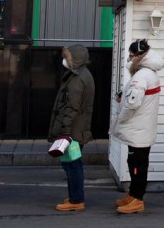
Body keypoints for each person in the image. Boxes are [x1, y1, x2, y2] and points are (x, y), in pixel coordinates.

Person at [111, 39, 164, 214]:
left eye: (131, 55)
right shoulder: (148, 72)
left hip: (138, 127)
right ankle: (133, 194)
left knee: (137, 165)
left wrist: (121, 120)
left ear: (139, 56)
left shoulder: (141, 75)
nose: (129, 59)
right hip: (142, 127)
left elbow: (132, 104)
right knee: (135, 162)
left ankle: (137, 199)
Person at [49, 44, 95, 212]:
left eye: (67, 57)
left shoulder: (77, 78)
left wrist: (65, 132)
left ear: (74, 59)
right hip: (77, 128)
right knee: (73, 163)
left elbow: (71, 107)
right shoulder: (83, 74)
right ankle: (76, 196)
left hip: (73, 131)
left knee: (72, 165)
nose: (64, 60)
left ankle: (76, 200)